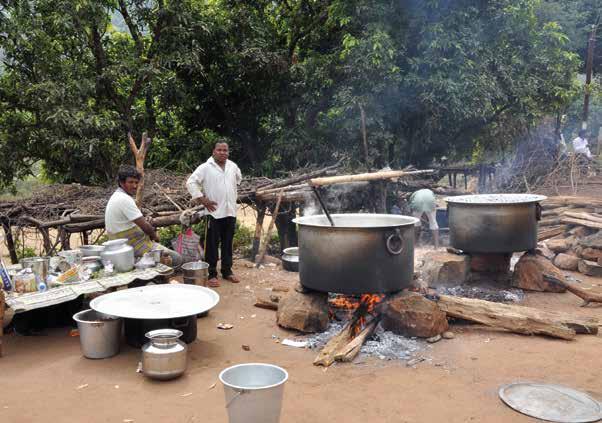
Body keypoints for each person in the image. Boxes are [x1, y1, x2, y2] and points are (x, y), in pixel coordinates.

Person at [186, 142, 242, 287]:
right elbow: (191, 182)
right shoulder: (206, 167)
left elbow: (238, 179)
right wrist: (203, 199)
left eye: (225, 150)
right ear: (214, 151)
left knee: (228, 242)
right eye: (219, 150)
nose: (223, 152)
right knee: (212, 244)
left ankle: (227, 271)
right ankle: (212, 273)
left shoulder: (233, 166)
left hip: (230, 211)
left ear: (228, 152)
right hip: (214, 213)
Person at [105, 165, 183, 269]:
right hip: (133, 246)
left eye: (136, 182)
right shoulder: (124, 199)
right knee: (176, 258)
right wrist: (155, 236)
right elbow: (145, 226)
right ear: (122, 183)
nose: (134, 186)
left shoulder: (117, 196)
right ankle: (163, 280)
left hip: (125, 244)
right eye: (131, 182)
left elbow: (136, 221)